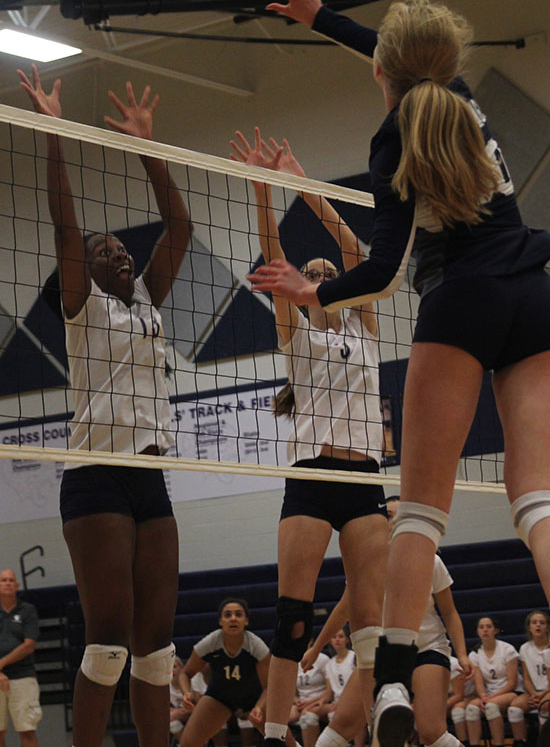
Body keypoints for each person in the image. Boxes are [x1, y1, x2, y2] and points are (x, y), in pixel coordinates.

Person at [251, 0, 550, 746]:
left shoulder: (394, 132)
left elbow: (379, 270)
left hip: (463, 300)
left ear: (384, 72)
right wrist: (324, 17)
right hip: (539, 295)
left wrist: (313, 297)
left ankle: (398, 686)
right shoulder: (461, 100)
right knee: (540, 493)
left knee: (420, 512)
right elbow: (396, 56)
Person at [19, 66, 192, 747]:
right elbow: (65, 225)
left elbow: (178, 223)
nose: (115, 249)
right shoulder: (81, 306)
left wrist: (148, 145)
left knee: (156, 648)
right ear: (84, 270)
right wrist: (55, 132)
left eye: (119, 245)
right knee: (110, 642)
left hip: (150, 475)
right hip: (94, 476)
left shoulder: (146, 297)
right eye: (102, 250)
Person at [230, 128, 389, 747]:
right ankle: (274, 734)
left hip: (364, 477)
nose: (323, 276)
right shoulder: (297, 336)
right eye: (312, 273)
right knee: (293, 621)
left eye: (329, 273)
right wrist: (266, 194)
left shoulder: (367, 330)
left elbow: (357, 251)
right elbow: (273, 256)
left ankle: (382, 713)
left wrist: (306, 187)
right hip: (311, 477)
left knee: (372, 624)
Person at [300, 499, 472, 747]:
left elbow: (450, 612)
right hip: (379, 656)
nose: (394, 521)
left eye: (400, 516)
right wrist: (316, 649)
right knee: (340, 727)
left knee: (431, 732)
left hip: (426, 650)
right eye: (389, 515)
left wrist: (463, 654)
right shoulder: (366, 564)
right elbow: (344, 608)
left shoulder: (430, 561)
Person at [178, 598, 271, 747]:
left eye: (238, 614)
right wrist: (186, 693)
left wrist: (259, 706)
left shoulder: (256, 646)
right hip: (219, 697)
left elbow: (269, 686)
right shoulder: (210, 643)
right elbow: (185, 673)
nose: (233, 618)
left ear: (246, 621)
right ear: (221, 621)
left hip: (254, 699)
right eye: (227, 615)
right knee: (188, 744)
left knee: (283, 740)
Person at [0, 569, 41, 747]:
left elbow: (29, 645)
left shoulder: (27, 610)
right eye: (3, 580)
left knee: (27, 731)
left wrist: (1, 663)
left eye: (11, 580)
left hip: (23, 676)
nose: (7, 583)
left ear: (17, 585)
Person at [464, 616, 518, 747]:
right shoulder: (475, 654)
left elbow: (512, 683)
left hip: (509, 692)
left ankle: (499, 744)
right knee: (471, 708)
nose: (485, 630)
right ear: (477, 632)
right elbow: (478, 683)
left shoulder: (507, 649)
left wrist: (490, 698)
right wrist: (483, 696)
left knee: (491, 707)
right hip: (488, 694)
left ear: (496, 630)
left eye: (488, 627)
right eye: (481, 627)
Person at [508, 610, 550, 745]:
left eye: (542, 623)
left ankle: (544, 742)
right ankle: (521, 742)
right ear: (529, 627)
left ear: (547, 626)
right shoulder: (525, 648)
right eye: (534, 623)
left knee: (545, 706)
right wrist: (533, 694)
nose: (538, 626)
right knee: (514, 708)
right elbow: (526, 678)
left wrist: (542, 695)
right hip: (534, 692)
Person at [289, 639, 329, 747]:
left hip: (319, 702)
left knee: (307, 717)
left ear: (310, 641)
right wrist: (297, 701)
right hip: (302, 703)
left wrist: (309, 703)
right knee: (278, 718)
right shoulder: (294, 661)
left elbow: (329, 692)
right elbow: (292, 692)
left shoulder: (322, 659)